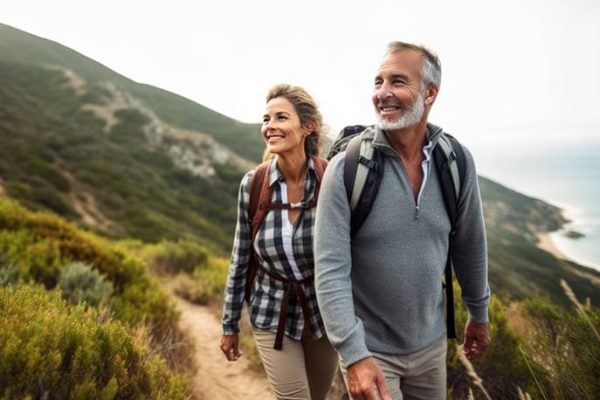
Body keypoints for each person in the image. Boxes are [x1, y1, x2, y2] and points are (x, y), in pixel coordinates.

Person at [314, 41, 491, 400]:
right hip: (371, 351)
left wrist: (479, 311)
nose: (383, 93)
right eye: (377, 82)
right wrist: (354, 355)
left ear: (430, 93)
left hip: (431, 347)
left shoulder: (456, 161)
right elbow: (330, 267)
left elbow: (469, 242)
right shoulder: (347, 168)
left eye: (397, 81)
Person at [220, 83, 338, 400]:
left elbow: (353, 254)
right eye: (266, 119)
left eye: (281, 118)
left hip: (324, 314)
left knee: (317, 397)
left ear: (307, 127)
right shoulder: (254, 184)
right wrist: (229, 325)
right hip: (272, 309)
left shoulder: (331, 181)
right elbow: (241, 258)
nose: (269, 127)